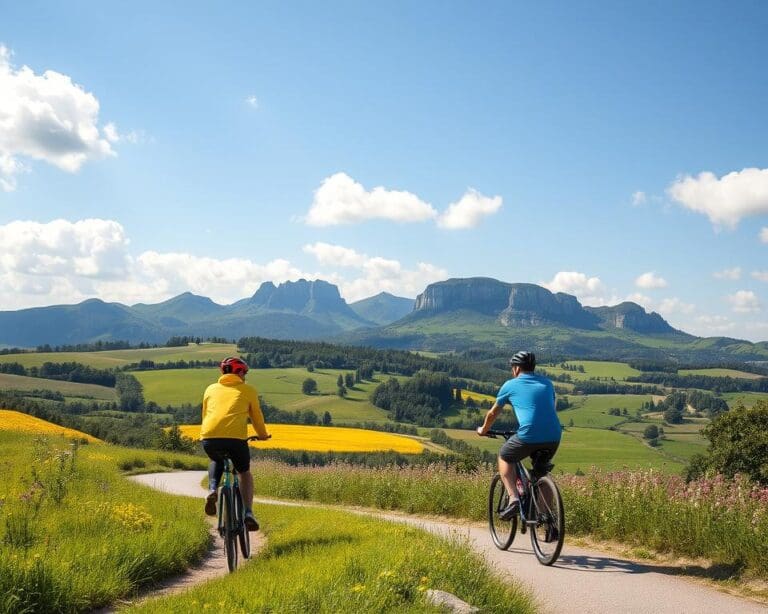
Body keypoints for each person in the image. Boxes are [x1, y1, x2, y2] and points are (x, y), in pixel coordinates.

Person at [476, 351, 561, 519]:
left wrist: (483, 430)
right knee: (541, 474)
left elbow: (492, 414)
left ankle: (514, 499)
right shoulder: (547, 383)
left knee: (505, 456)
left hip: (529, 434)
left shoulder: (510, 385)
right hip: (554, 435)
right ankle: (546, 519)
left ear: (516, 369)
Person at [201, 356, 270, 531]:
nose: (245, 376)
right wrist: (262, 435)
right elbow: (256, 417)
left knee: (216, 460)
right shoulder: (248, 390)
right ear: (239, 372)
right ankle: (248, 512)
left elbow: (205, 415)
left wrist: (208, 435)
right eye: (244, 372)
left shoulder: (210, 389)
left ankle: (212, 489)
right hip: (235, 440)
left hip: (209, 437)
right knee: (244, 472)